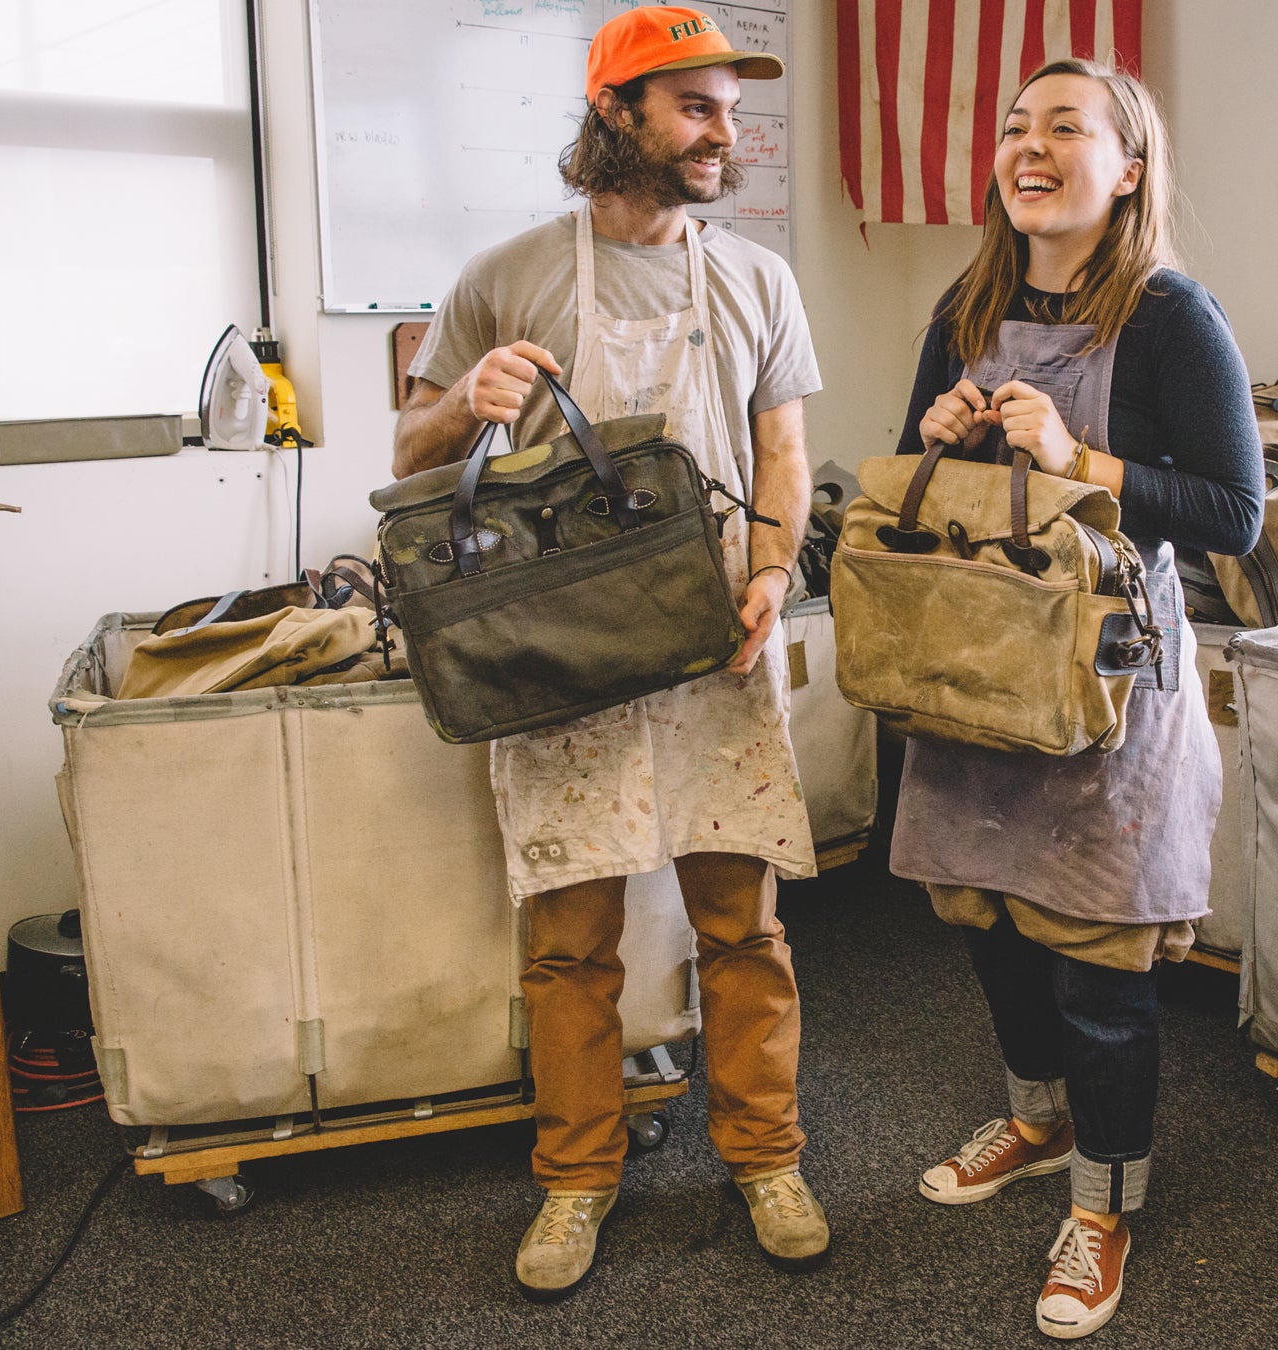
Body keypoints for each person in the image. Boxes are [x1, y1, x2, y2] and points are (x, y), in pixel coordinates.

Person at [390, 6, 828, 1301]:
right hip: (557, 648)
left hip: (714, 644)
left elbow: (785, 457)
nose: (722, 131)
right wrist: (458, 408)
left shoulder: (757, 279)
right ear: (617, 114)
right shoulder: (506, 274)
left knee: (742, 926)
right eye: (694, 106)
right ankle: (576, 1177)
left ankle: (766, 1153)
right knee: (570, 937)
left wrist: (771, 570)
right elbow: (405, 456)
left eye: (729, 107)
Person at [890, 59, 1264, 1341]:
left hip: (1109, 686)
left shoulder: (1170, 318)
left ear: (1130, 166)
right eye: (1012, 128)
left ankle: (1103, 1208)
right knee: (991, 922)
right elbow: (910, 477)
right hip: (979, 664)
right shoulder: (968, 302)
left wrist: (1078, 456)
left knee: (1098, 964)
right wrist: (942, 428)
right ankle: (1040, 1126)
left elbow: (1234, 514)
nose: (1027, 146)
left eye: (1064, 127)